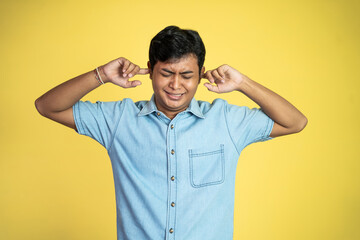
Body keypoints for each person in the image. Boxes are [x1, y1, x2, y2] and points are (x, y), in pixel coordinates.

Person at [35, 25, 307, 240]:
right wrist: (101, 75)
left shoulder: (226, 120)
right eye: (166, 73)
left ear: (201, 74)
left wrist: (242, 83)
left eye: (187, 75)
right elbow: (47, 106)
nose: (176, 85)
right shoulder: (118, 119)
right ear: (151, 70)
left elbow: (294, 122)